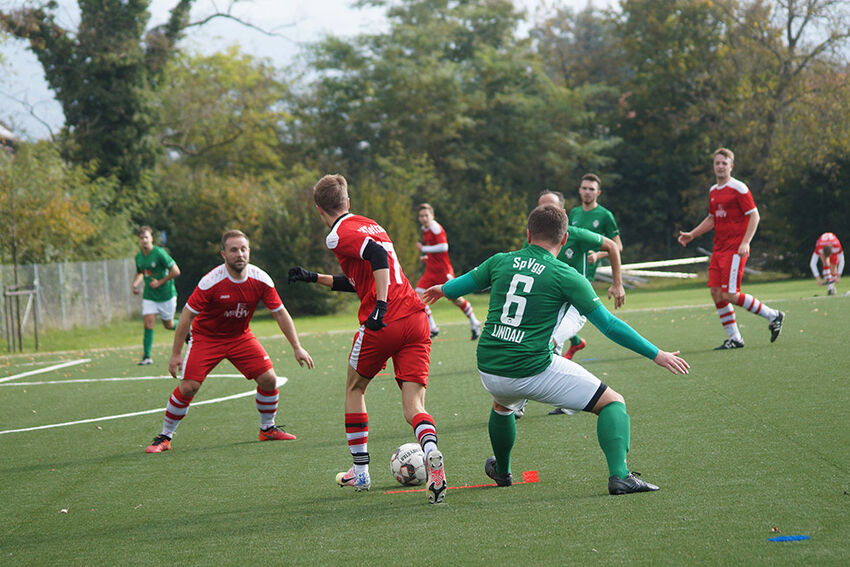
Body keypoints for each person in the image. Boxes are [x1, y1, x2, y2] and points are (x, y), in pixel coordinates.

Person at [423, 205, 689, 495]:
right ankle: (621, 476)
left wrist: (441, 289)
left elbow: (456, 287)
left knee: (502, 405)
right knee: (612, 403)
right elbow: (610, 325)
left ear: (528, 234)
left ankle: (502, 470)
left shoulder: (500, 260)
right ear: (564, 239)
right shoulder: (566, 275)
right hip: (530, 367)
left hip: (488, 366)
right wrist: (657, 354)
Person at [287, 174, 447, 504]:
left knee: (355, 388)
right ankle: (430, 450)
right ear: (347, 201)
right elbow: (362, 279)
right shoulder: (371, 224)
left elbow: (376, 258)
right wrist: (314, 277)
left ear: (319, 209)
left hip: (385, 321)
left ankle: (360, 471)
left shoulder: (336, 235)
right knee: (414, 407)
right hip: (416, 318)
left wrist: (382, 305)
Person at [144, 230, 314, 453]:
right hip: (207, 338)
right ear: (223, 254)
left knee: (269, 379)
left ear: (249, 252)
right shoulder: (211, 282)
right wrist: (176, 353)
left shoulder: (261, 279)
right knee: (188, 387)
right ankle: (165, 437)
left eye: (243, 249)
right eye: (233, 250)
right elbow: (186, 316)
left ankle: (267, 429)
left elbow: (280, 313)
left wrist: (297, 347)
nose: (239, 254)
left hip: (240, 337)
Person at [678, 148, 785, 349]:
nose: (720, 166)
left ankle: (773, 315)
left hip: (735, 249)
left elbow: (754, 215)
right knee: (716, 292)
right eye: (717, 163)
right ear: (713, 166)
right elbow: (712, 218)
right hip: (719, 249)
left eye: (724, 163)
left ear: (731, 166)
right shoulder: (713, 191)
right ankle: (735, 338)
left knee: (729, 294)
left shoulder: (739, 188)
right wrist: (692, 234)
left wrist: (746, 242)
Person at [537, 190, 625, 417]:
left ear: (562, 212)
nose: (545, 212)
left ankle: (519, 405)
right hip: (551, 305)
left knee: (548, 343)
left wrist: (617, 284)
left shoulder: (576, 234)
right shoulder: (535, 238)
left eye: (551, 208)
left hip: (576, 306)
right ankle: (568, 401)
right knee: (545, 348)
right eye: (541, 208)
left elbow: (613, 246)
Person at [415, 203, 482, 340]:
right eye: (421, 216)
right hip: (430, 271)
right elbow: (436, 251)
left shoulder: (435, 228)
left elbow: (444, 247)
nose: (424, 218)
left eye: (426, 215)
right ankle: (432, 327)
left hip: (443, 272)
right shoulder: (424, 229)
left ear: (432, 215)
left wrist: (424, 249)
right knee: (418, 297)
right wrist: (427, 258)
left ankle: (474, 322)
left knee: (455, 298)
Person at [132, 226, 180, 365]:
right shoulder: (139, 257)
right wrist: (135, 284)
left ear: (151, 238)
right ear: (139, 240)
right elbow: (141, 272)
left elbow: (176, 271)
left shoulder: (159, 253)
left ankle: (185, 328)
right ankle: (147, 357)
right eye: (141, 238)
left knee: (169, 325)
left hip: (166, 295)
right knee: (148, 323)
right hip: (150, 295)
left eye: (146, 237)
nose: (144, 240)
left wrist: (160, 282)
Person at [568, 173, 623, 283]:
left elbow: (618, 246)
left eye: (591, 189)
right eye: (584, 188)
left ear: (598, 192)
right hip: (571, 266)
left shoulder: (605, 215)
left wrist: (597, 255)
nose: (587, 192)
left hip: (588, 271)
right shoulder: (574, 212)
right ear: (579, 190)